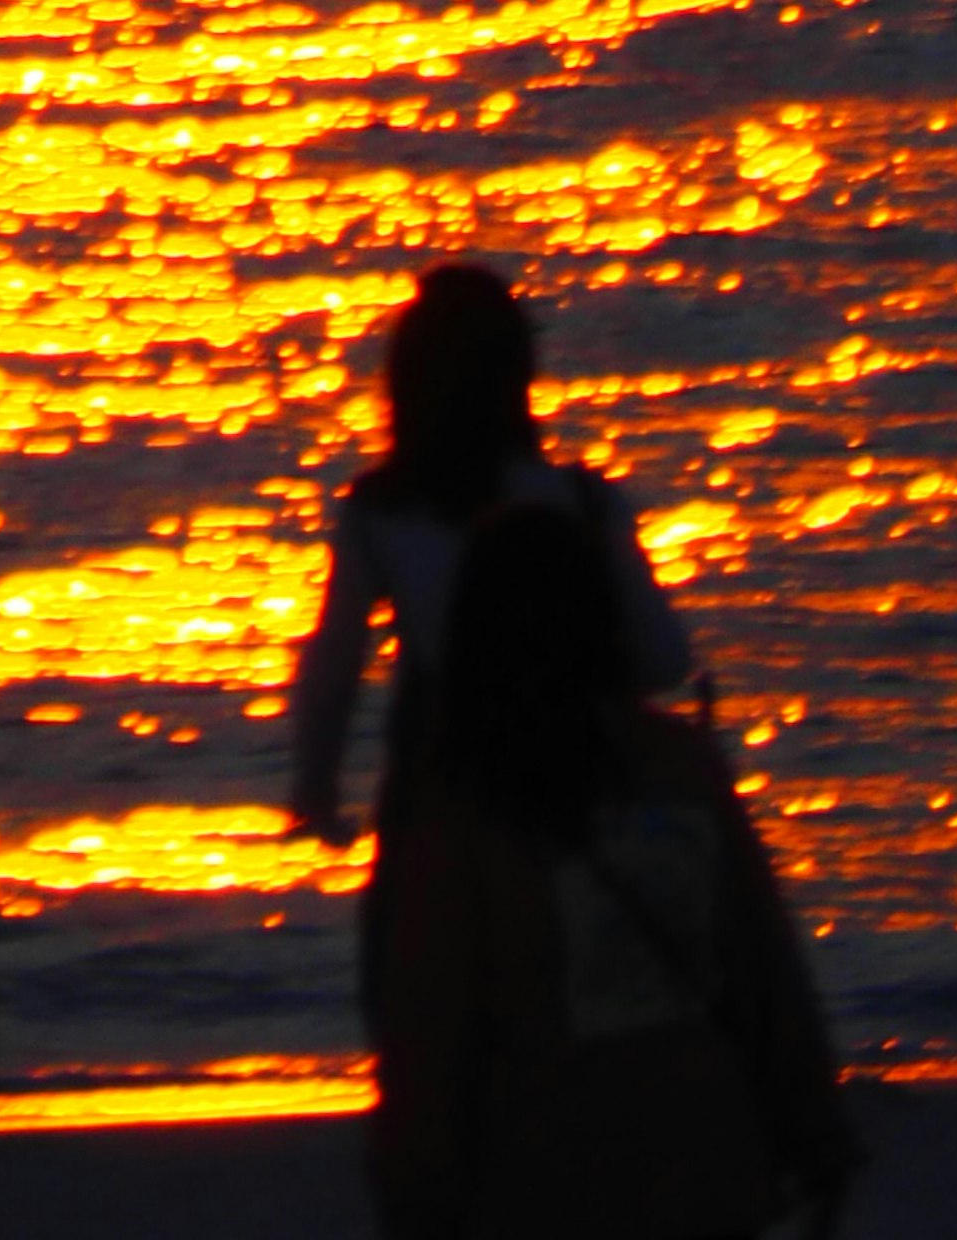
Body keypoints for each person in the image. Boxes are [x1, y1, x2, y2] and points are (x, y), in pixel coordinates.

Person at [353, 494, 850, 1240]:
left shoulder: (461, 804)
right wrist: (817, 1136)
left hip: (543, 1186)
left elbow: (432, 1029)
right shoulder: (683, 766)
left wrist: (415, 1194)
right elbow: (762, 963)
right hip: (705, 1171)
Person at [285, 264, 698, 865]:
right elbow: (667, 662)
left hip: (445, 829)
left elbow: (333, 676)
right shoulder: (587, 503)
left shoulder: (382, 514)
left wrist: (315, 797)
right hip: (587, 819)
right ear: (522, 378)